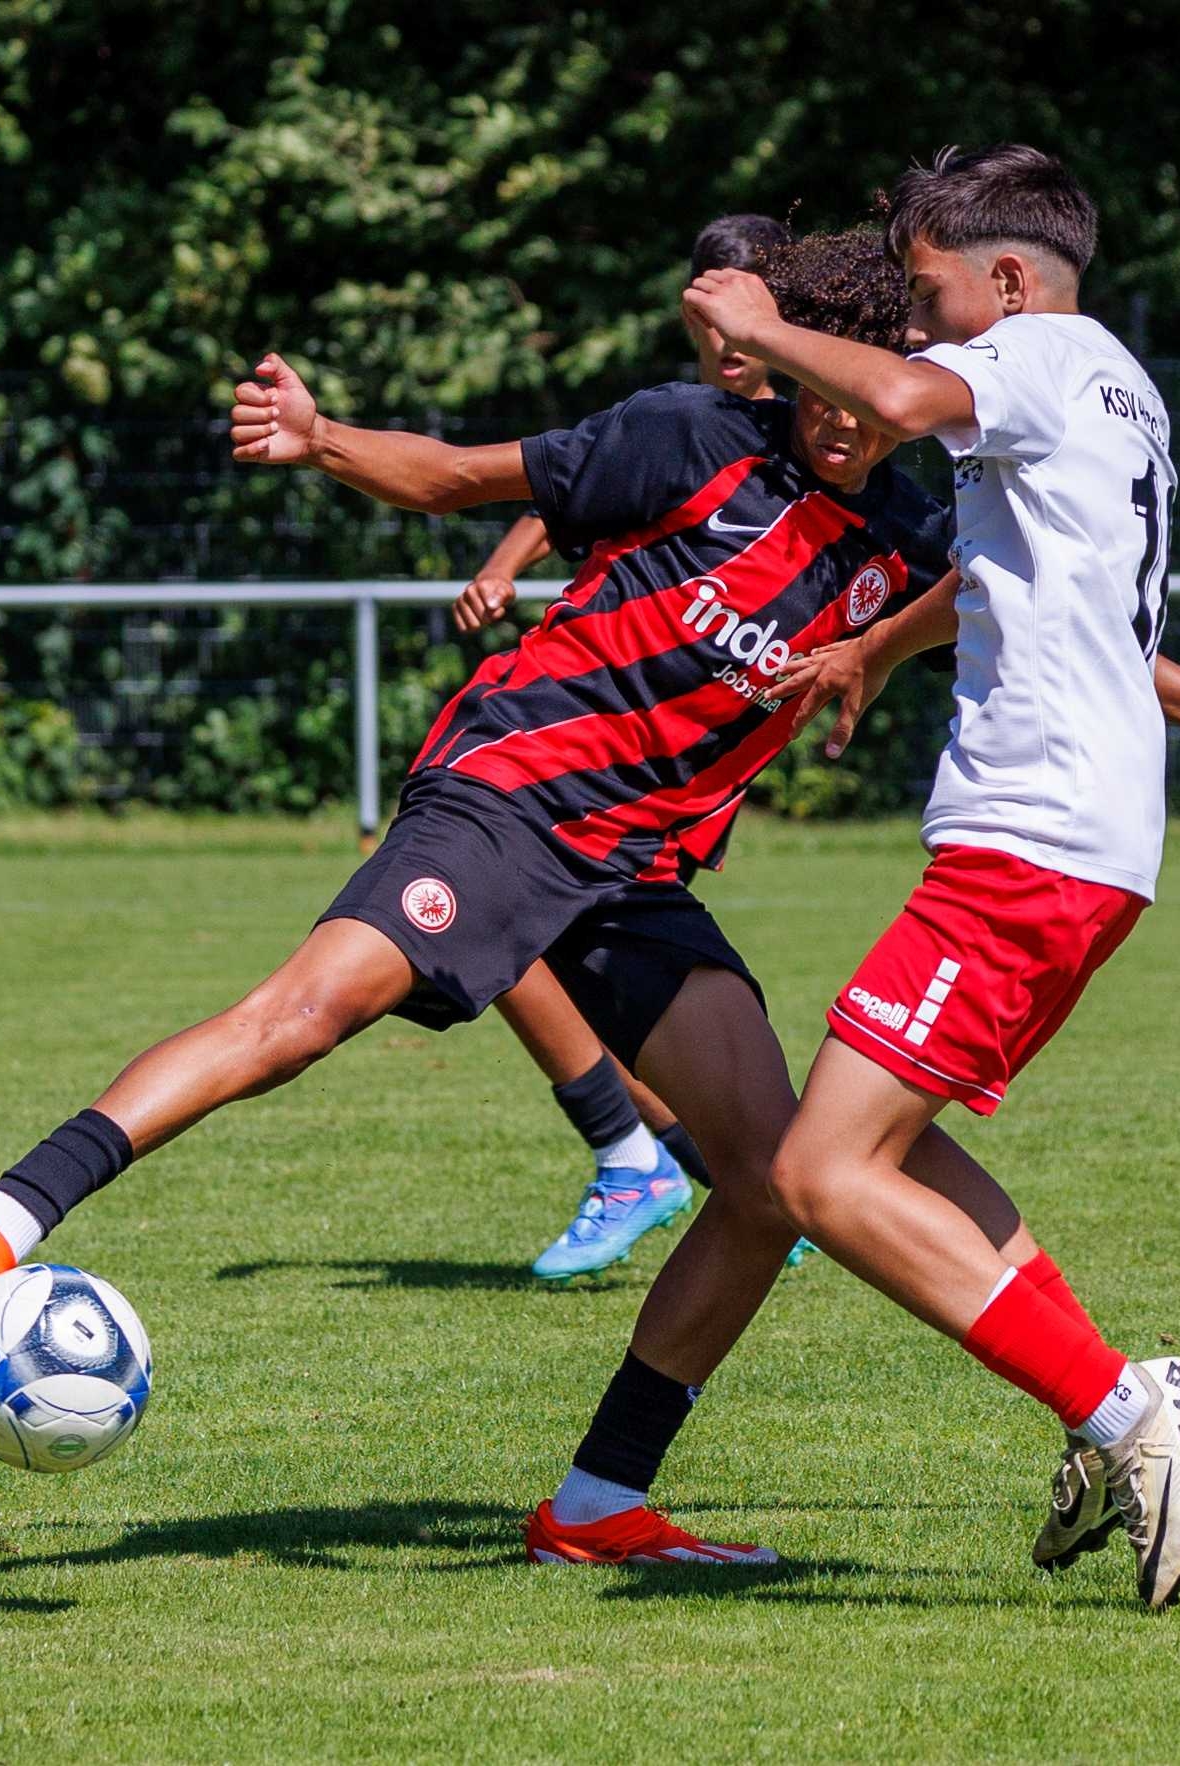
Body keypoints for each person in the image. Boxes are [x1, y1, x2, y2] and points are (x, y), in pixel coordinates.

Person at [0, 236, 961, 1585]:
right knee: (301, 1015)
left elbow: (1046, 612)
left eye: (874, 396)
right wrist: (321, 438)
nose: (848, 422)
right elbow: (460, 476)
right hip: (513, 793)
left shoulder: (908, 533)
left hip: (633, 870)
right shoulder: (690, 437)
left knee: (767, 1179)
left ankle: (598, 1502)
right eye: (825, 389)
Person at [524, 146, 1180, 1609]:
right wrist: (871, 645)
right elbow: (1006, 580)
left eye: (924, 296)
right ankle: (1110, 1402)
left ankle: (1124, 1405)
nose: (911, 330)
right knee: (873, 1146)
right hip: (1068, 840)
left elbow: (903, 401)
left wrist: (759, 324)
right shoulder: (1113, 384)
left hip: (1029, 842)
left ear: (1008, 281)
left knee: (812, 1173)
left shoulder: (1029, 354)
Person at [450, 213, 800, 1283]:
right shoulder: (670, 422)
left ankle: (661, 1163)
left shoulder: (810, 434)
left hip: (662, 767)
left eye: (750, 309)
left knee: (518, 935)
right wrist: (505, 564)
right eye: (710, 309)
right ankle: (721, 1170)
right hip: (602, 745)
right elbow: (564, 488)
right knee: (544, 950)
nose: (728, 336)